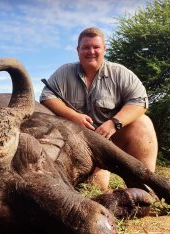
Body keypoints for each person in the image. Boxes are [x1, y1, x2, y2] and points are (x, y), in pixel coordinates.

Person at [39, 27, 158, 191]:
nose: (91, 52)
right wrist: (74, 116)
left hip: (111, 141)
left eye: (96, 47)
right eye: (86, 47)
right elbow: (47, 97)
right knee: (95, 189)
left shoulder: (120, 73)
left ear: (104, 49)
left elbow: (140, 102)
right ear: (78, 50)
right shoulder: (64, 72)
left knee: (143, 123)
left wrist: (114, 123)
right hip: (77, 145)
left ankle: (145, 189)